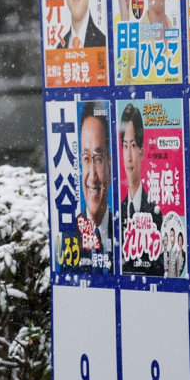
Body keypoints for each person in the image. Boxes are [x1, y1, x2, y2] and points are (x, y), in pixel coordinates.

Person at [118, 104, 164, 276]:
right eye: (125, 146)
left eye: (133, 145)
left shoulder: (156, 211)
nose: (129, 156)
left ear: (142, 151)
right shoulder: (118, 211)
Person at [76, 102, 113, 270]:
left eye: (98, 158)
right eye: (86, 158)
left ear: (110, 165)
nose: (92, 176)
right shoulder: (70, 236)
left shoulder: (126, 231)